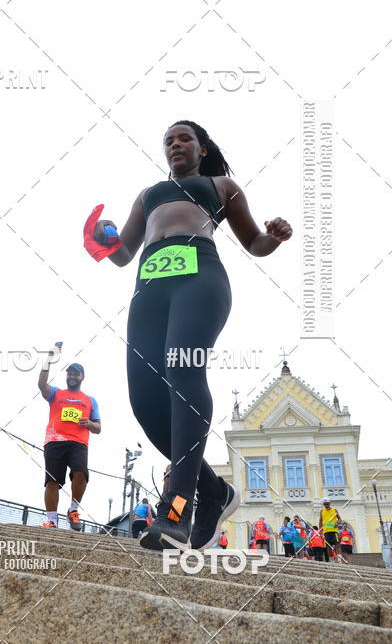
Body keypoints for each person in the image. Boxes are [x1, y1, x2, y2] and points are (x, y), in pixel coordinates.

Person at [84, 120, 292, 551]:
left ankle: (176, 510)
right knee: (145, 402)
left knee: (183, 374)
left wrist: (273, 238)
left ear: (201, 148)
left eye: (184, 139)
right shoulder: (149, 194)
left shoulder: (222, 186)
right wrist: (100, 237)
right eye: (168, 141)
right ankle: (214, 491)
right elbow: (123, 254)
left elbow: (253, 241)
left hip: (200, 277)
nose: (175, 145)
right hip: (149, 285)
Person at [38, 350, 101, 531]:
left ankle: (73, 511)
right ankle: (52, 520)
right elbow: (42, 384)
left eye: (76, 373)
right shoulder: (56, 394)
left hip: (78, 443)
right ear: (67, 376)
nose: (72, 376)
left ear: (82, 377)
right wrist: (49, 360)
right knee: (52, 482)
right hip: (54, 441)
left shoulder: (90, 400)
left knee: (80, 474)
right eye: (70, 373)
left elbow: (98, 428)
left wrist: (88, 423)